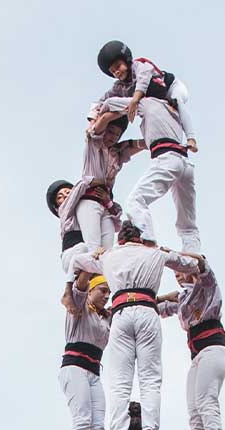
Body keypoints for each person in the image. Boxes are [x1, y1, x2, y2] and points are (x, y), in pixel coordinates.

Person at [73, 222, 201, 430]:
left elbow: (76, 261)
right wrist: (167, 252)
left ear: (120, 239)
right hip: (146, 311)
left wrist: (97, 253)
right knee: (150, 378)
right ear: (140, 238)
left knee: (120, 379)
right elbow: (191, 264)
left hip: (121, 313)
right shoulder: (154, 253)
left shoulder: (109, 256)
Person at [59, 107, 146, 314]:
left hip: (106, 205)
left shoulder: (117, 151)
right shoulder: (93, 144)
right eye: (109, 132)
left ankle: (100, 293)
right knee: (92, 248)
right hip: (89, 201)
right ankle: (69, 290)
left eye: (116, 134)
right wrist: (129, 105)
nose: (111, 137)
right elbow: (101, 122)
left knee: (106, 255)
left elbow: (140, 144)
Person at [91, 97, 198, 253]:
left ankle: (149, 242)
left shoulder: (145, 102)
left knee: (136, 201)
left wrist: (130, 104)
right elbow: (143, 143)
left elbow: (109, 103)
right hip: (185, 163)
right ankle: (193, 255)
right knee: (187, 222)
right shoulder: (172, 109)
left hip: (167, 159)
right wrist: (191, 137)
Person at [158, 259, 225, 430]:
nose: (178, 275)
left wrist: (173, 256)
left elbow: (202, 265)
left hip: (213, 350)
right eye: (175, 273)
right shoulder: (183, 298)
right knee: (194, 405)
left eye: (181, 271)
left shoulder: (206, 287)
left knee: (205, 400)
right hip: (198, 356)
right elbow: (158, 307)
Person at [96, 40, 198, 152]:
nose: (117, 72)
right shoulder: (119, 86)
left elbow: (143, 81)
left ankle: (191, 138)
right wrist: (92, 120)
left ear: (126, 59)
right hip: (156, 103)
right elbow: (103, 100)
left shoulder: (140, 66)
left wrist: (134, 101)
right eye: (113, 71)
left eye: (118, 66)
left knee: (177, 102)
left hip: (171, 88)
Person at [60, 273, 112, 430]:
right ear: (90, 291)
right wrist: (92, 265)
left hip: (94, 373)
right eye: (103, 291)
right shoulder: (80, 306)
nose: (107, 296)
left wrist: (164, 298)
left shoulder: (107, 317)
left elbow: (132, 304)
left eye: (109, 292)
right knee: (82, 419)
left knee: (98, 426)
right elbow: (80, 285)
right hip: (75, 369)